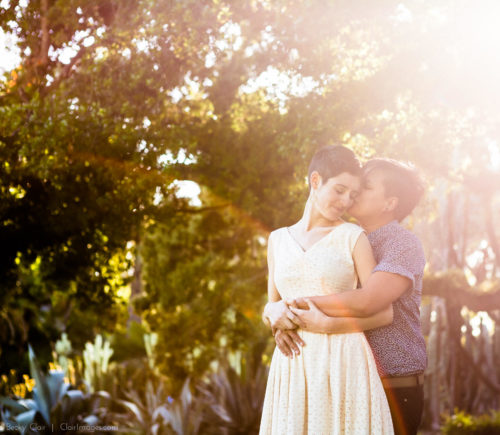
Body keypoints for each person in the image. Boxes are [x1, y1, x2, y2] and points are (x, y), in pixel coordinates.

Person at [264, 158, 426, 435]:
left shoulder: (401, 243)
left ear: (389, 203)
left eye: (364, 188)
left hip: (393, 383)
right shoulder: (342, 238)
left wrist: (290, 309)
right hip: (343, 378)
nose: (353, 195)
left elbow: (369, 300)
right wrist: (273, 311)